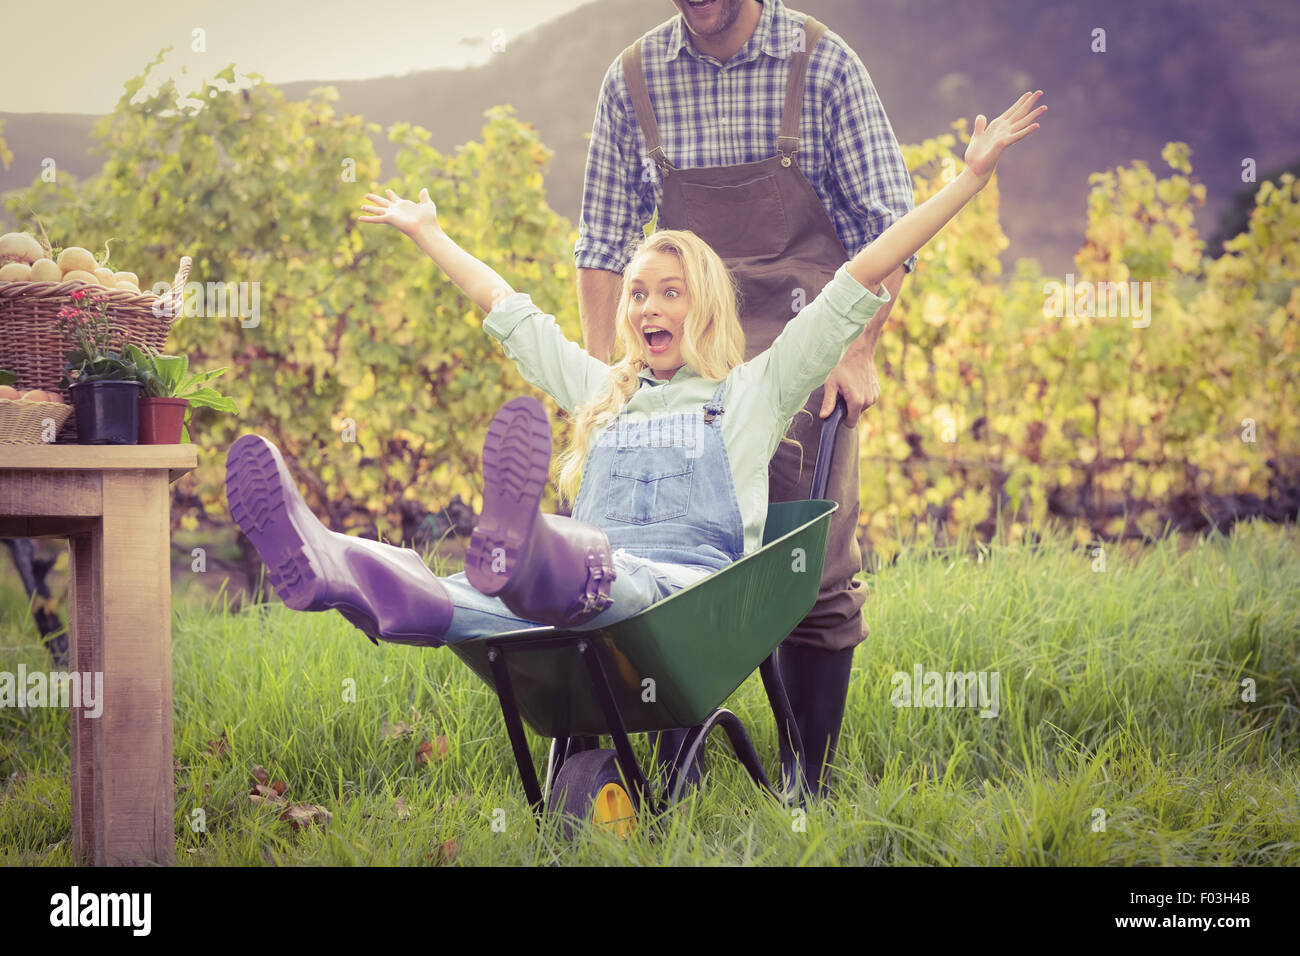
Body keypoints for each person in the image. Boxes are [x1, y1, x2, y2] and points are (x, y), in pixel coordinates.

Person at [225, 90, 1044, 693]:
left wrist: (965, 184)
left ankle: (532, 553)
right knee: (456, 601)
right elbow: (509, 312)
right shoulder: (602, 392)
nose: (647, 305)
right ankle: (336, 564)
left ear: (706, 307)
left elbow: (856, 278)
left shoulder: (755, 390)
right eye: (638, 292)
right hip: (579, 593)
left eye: (668, 291)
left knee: (603, 576)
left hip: (689, 598)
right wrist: (432, 234)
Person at [576, 0, 919, 795]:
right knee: (653, 555)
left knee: (810, 563)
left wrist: (859, 352)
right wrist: (608, 383)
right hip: (685, 352)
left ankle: (810, 772)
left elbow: (887, 224)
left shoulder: (821, 65)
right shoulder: (633, 78)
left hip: (799, 350)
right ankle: (666, 756)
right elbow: (601, 242)